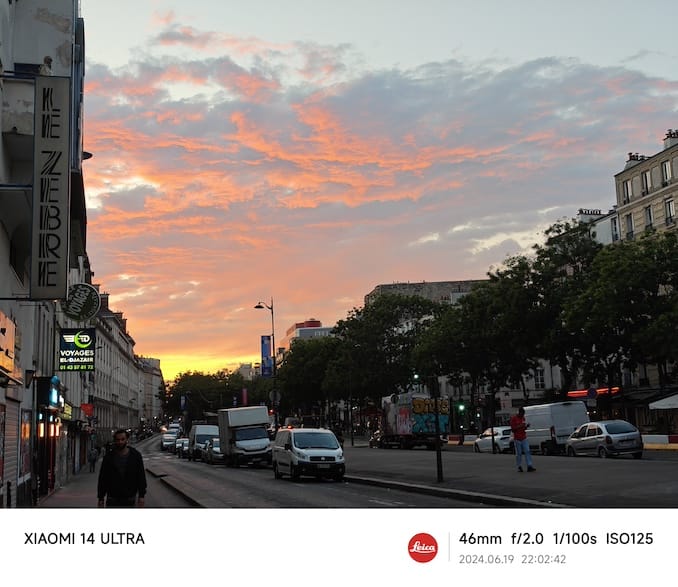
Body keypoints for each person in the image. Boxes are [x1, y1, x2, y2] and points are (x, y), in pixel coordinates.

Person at [97, 429, 147, 507]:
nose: (120, 442)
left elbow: (140, 476)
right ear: (115, 441)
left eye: (122, 439)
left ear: (127, 439)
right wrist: (101, 498)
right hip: (112, 499)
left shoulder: (135, 456)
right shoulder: (108, 457)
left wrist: (141, 496)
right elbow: (103, 478)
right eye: (118, 440)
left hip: (130, 499)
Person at [510, 407, 536, 473]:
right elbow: (513, 429)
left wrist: (526, 426)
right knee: (519, 453)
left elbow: (523, 428)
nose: (523, 415)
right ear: (519, 412)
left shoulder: (523, 418)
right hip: (517, 438)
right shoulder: (514, 419)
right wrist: (520, 426)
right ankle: (519, 466)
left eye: (523, 414)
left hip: (524, 437)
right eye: (522, 413)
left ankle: (529, 465)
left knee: (527, 451)